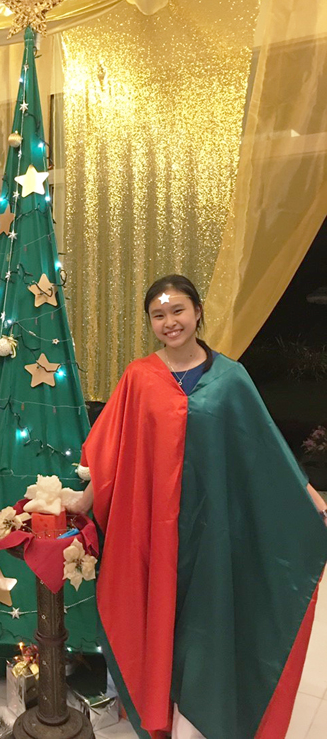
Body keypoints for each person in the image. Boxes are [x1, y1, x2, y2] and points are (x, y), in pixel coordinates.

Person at [68, 274, 327, 739]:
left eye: (178, 311)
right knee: (159, 619)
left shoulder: (231, 379)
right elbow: (112, 452)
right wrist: (82, 502)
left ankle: (198, 722)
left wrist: (308, 497)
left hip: (213, 530)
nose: (170, 322)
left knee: (206, 623)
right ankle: (161, 712)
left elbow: (264, 445)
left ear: (197, 312)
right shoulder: (139, 378)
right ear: (151, 322)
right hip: (156, 532)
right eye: (159, 315)